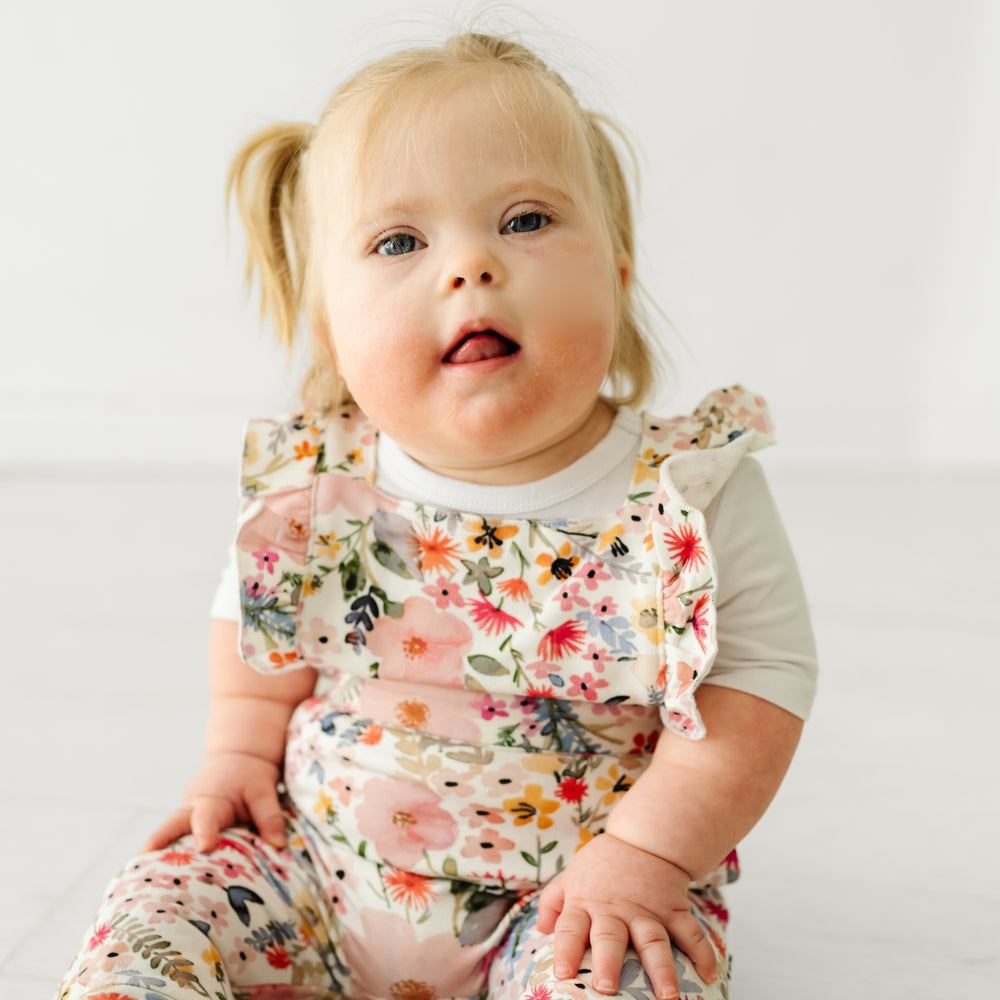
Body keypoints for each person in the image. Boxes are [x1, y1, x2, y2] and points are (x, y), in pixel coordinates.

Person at [58, 29, 817, 1000]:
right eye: (399, 242)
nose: (469, 266)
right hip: (310, 872)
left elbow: (759, 681)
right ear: (333, 323)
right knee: (151, 914)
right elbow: (256, 636)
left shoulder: (687, 488)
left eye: (526, 219)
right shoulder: (318, 477)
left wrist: (647, 856)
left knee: (627, 980)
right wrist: (236, 757)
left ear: (619, 272)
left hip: (573, 896)